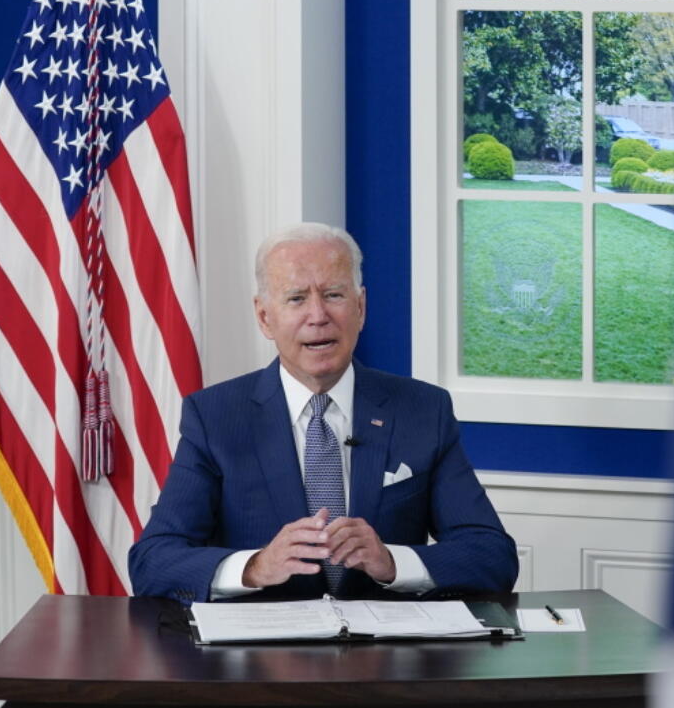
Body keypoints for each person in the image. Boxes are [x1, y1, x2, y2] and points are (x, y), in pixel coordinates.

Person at [128, 222, 518, 603]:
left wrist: (393, 562)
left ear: (360, 307)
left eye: (333, 295)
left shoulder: (422, 410)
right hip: (259, 660)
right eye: (296, 298)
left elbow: (492, 556)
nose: (318, 316)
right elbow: (153, 562)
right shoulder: (215, 416)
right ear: (265, 317)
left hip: (386, 659)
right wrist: (255, 567)